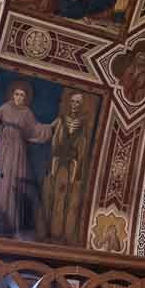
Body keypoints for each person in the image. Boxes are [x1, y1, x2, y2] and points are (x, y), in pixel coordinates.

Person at [0, 82, 53, 236]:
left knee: (15, 184)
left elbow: (35, 130)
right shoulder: (5, 107)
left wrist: (50, 127)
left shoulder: (26, 113)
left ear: (26, 98)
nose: (19, 98)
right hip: (1, 150)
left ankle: (12, 224)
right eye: (17, 94)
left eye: (22, 95)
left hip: (18, 152)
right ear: (12, 95)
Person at [42, 92, 90, 245]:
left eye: (78, 102)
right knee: (52, 190)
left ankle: (65, 233)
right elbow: (49, 129)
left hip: (73, 161)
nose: (75, 105)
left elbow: (83, 144)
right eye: (73, 102)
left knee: (69, 192)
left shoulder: (83, 123)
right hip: (58, 157)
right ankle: (49, 229)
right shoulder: (62, 119)